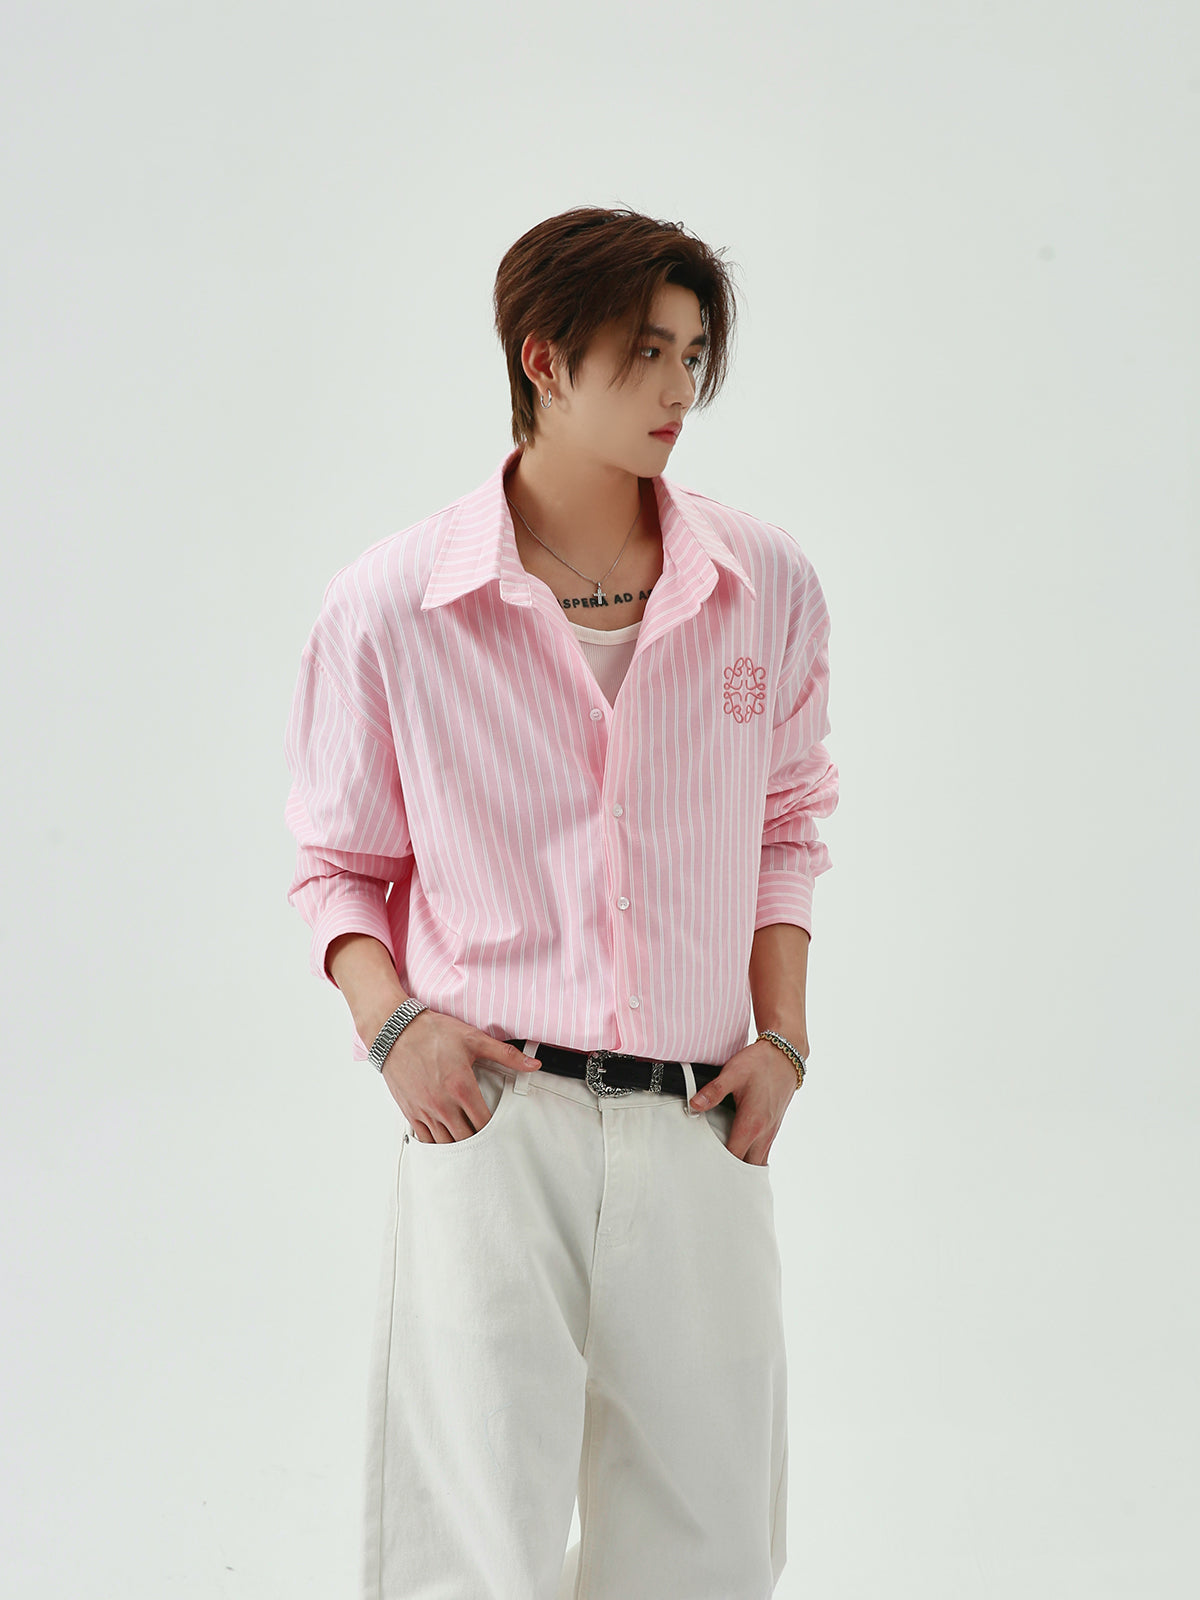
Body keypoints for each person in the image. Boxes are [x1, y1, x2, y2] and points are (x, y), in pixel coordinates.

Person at [283, 204, 839, 1600]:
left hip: (700, 1117)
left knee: (709, 1539)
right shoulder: (394, 605)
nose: (679, 388)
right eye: (646, 351)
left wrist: (783, 1039)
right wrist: (393, 1029)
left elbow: (787, 826)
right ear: (543, 358)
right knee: (470, 1537)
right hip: (493, 1114)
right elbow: (337, 865)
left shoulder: (764, 586)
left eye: (694, 354)